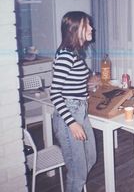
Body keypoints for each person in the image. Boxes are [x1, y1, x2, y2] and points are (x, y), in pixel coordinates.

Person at [50, 11, 97, 192]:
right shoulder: (66, 55)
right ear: (76, 29)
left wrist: (89, 86)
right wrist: (72, 123)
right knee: (78, 173)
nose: (92, 28)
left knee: (90, 158)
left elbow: (71, 82)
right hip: (69, 116)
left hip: (80, 111)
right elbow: (55, 93)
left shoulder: (75, 53)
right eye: (88, 25)